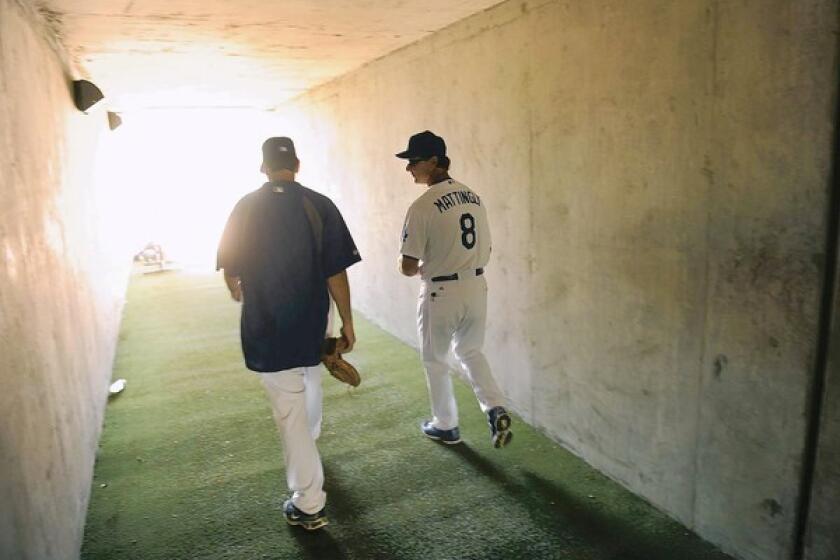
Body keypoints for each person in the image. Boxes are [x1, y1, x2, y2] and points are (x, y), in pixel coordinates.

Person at [217, 136, 361, 530]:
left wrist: (240, 288)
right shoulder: (319, 205)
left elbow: (231, 273)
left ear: (262, 167)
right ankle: (308, 449)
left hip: (267, 325)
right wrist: (347, 321)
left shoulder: (245, 207)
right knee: (309, 381)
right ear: (296, 164)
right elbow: (336, 271)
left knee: (290, 413)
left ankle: (309, 503)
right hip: (314, 322)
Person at [395, 130, 512, 448]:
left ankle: (446, 425)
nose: (409, 168)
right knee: (471, 351)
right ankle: (495, 406)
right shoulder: (473, 196)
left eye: (414, 161)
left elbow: (407, 266)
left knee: (435, 360)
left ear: (434, 161)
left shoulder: (422, 206)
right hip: (476, 285)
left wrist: (425, 267)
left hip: (441, 291)